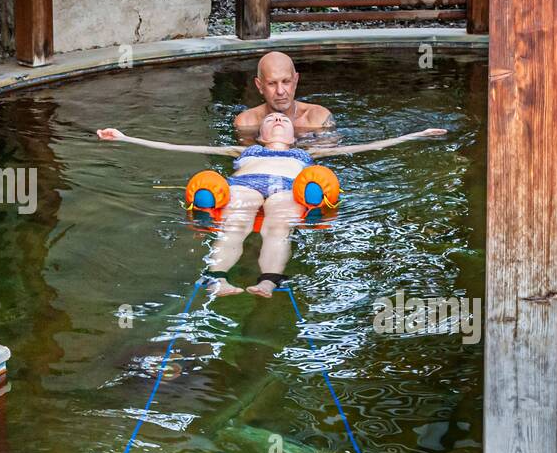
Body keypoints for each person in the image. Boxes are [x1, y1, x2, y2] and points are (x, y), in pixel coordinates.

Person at [96, 113, 445, 298]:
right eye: (270, 120)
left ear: (294, 136)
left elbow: (368, 148)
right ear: (261, 134)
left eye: (284, 121)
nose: (277, 120)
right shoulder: (244, 152)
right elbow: (179, 147)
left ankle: (269, 281)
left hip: (286, 189)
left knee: (278, 225)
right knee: (236, 222)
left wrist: (414, 135)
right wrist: (127, 138)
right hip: (243, 186)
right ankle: (216, 278)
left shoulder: (308, 153)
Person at [234, 51, 332, 134]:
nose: (280, 91)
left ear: (295, 81)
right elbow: (249, 155)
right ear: (259, 85)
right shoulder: (246, 123)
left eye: (286, 82)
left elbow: (328, 152)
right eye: (272, 83)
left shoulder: (318, 118)